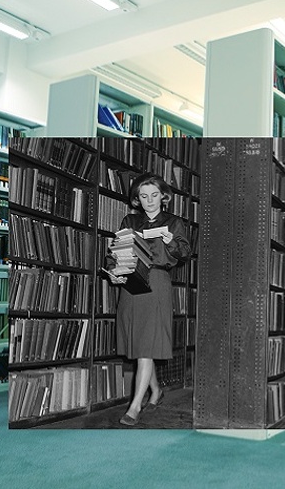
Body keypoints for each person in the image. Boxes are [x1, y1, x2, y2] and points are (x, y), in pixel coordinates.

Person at [106, 172, 191, 426]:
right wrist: (114, 271)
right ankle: (156, 391)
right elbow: (116, 252)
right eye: (143, 196)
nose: (149, 200)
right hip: (131, 283)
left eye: (154, 195)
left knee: (147, 343)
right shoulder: (130, 221)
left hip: (157, 283)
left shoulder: (174, 222)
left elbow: (185, 254)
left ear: (163, 196)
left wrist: (171, 242)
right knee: (141, 344)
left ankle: (134, 406)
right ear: (137, 199)